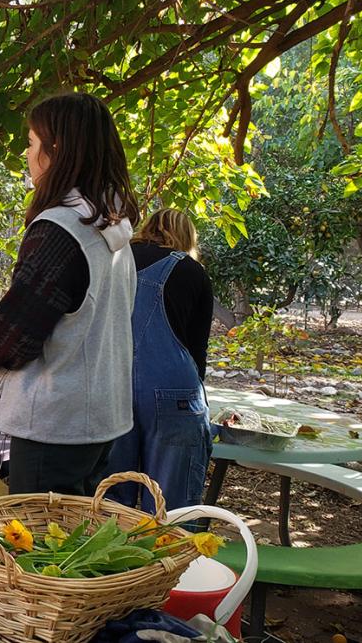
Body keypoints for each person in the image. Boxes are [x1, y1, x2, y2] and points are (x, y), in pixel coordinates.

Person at [0, 92, 140, 496]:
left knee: (41, 550)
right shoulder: (111, 228)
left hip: (55, 425)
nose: (27, 154)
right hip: (98, 419)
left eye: (30, 142)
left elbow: (19, 328)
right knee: (72, 542)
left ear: (55, 151)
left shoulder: (61, 230)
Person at [105, 208, 215, 512]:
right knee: (171, 504)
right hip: (173, 390)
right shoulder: (192, 272)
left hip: (113, 384)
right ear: (187, 237)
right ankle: (170, 557)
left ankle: (113, 557)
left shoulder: (113, 260)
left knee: (111, 498)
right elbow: (197, 349)